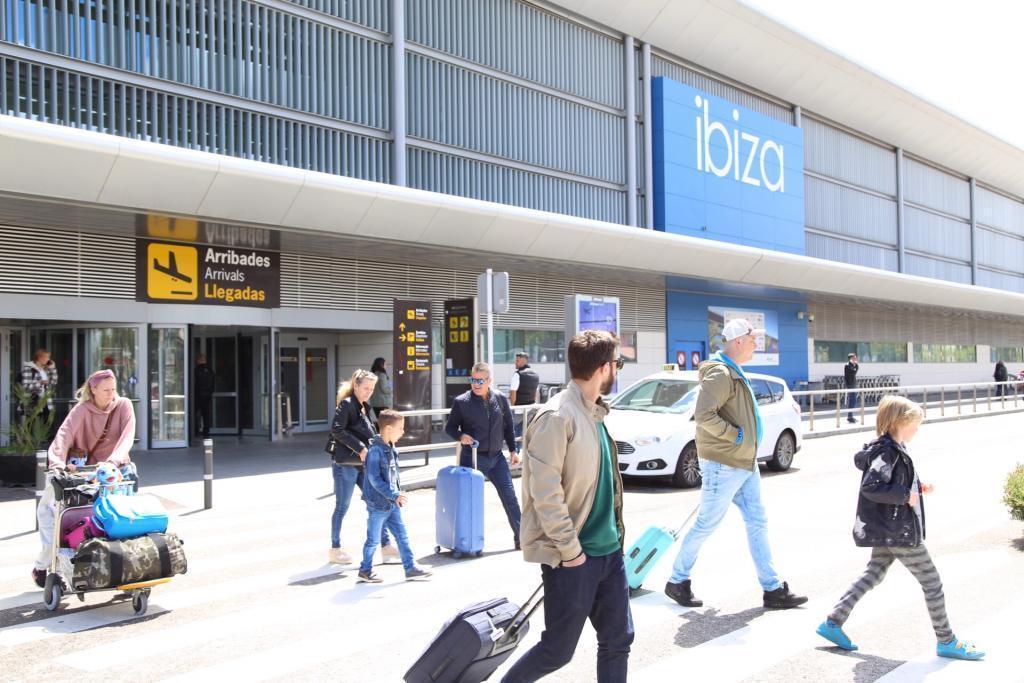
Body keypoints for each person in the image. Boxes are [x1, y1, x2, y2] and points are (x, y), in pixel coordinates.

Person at [502, 330, 631, 683]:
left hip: (609, 553)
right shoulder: (557, 416)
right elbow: (545, 494)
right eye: (617, 363)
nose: (617, 369)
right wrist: (571, 552)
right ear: (604, 368)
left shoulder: (595, 412)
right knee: (557, 650)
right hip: (573, 557)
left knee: (618, 641)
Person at [816, 395, 985, 661]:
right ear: (900, 422)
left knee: (873, 573)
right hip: (898, 531)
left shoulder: (895, 448)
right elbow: (872, 486)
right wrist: (905, 495)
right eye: (915, 424)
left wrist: (918, 487)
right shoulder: (887, 452)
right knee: (932, 582)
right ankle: (947, 640)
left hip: (890, 527)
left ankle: (833, 622)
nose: (917, 429)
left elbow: (894, 481)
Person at [665, 318, 807, 610]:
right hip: (724, 464)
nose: (756, 344)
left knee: (757, 522)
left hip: (744, 463)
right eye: (753, 339)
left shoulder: (734, 370)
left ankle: (773, 589)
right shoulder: (720, 373)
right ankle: (677, 580)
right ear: (739, 341)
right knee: (706, 524)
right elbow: (704, 415)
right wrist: (736, 436)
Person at [32, 369, 136, 588]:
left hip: (114, 472)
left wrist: (113, 462)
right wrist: (57, 464)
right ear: (93, 389)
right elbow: (64, 435)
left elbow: (127, 437)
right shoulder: (81, 410)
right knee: (54, 515)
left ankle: (123, 565)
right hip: (83, 473)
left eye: (113, 389)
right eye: (106, 390)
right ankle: (46, 564)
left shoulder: (123, 405)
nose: (111, 394)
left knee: (121, 521)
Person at [445, 362, 522, 549]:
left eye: (480, 381)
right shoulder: (462, 402)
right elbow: (450, 428)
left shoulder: (500, 399)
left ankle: (521, 538)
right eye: (473, 380)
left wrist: (513, 450)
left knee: (510, 498)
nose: (476, 384)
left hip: (497, 458)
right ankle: (465, 542)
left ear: (489, 381)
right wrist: (461, 436)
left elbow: (508, 427)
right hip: (472, 458)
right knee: (468, 502)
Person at [327, 369, 398, 566]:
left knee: (376, 502)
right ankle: (335, 549)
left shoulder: (364, 406)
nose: (369, 392)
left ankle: (385, 546)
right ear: (356, 385)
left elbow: (368, 434)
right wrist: (360, 448)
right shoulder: (348, 404)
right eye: (366, 388)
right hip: (346, 464)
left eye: (372, 388)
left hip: (362, 464)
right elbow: (336, 429)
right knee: (342, 507)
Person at [357, 409, 432, 582]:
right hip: (378, 504)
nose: (403, 432)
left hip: (392, 502)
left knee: (402, 536)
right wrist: (394, 493)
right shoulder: (376, 451)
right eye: (400, 428)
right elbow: (374, 479)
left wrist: (396, 495)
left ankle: (410, 568)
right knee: (373, 540)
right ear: (389, 429)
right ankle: (365, 570)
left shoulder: (391, 447)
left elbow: (393, 476)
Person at [509, 352, 540, 440]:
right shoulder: (535, 375)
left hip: (518, 409)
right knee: (526, 435)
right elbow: (536, 393)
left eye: (517, 361)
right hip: (531, 408)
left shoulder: (517, 374)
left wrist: (513, 407)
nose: (515, 362)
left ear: (524, 361)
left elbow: (513, 393)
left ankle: (516, 449)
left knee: (515, 435)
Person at [21, 348, 58, 421]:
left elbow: (53, 382)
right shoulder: (29, 369)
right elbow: (26, 387)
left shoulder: (46, 370)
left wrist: (53, 369)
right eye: (47, 357)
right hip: (34, 404)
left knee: (47, 425)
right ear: (40, 358)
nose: (48, 359)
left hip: (46, 403)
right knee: (33, 425)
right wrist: (40, 383)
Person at [194, 353, 216, 439]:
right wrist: (210, 392)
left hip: (198, 395)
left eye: (197, 360)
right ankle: (206, 433)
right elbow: (213, 383)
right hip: (207, 396)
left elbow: (194, 382)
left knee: (194, 413)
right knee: (206, 415)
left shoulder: (196, 370)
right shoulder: (210, 371)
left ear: (199, 360)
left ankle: (195, 431)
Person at [845, 353, 860, 424]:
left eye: (855, 358)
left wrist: (856, 365)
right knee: (852, 400)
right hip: (850, 385)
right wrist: (855, 365)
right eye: (854, 358)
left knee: (854, 400)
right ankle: (850, 416)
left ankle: (850, 416)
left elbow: (855, 370)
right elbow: (853, 372)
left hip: (853, 384)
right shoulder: (847, 365)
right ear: (850, 359)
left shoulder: (853, 365)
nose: (855, 359)